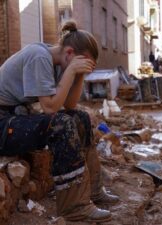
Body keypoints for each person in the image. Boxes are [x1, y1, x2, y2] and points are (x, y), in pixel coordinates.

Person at [0, 20, 119, 223]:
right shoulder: (39, 57)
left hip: (15, 116)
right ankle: (74, 207)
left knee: (80, 118)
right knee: (60, 124)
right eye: (82, 62)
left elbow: (71, 104)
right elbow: (50, 108)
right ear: (70, 53)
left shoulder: (59, 62)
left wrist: (78, 74)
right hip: (3, 122)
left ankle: (93, 191)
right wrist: (72, 71)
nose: (81, 67)